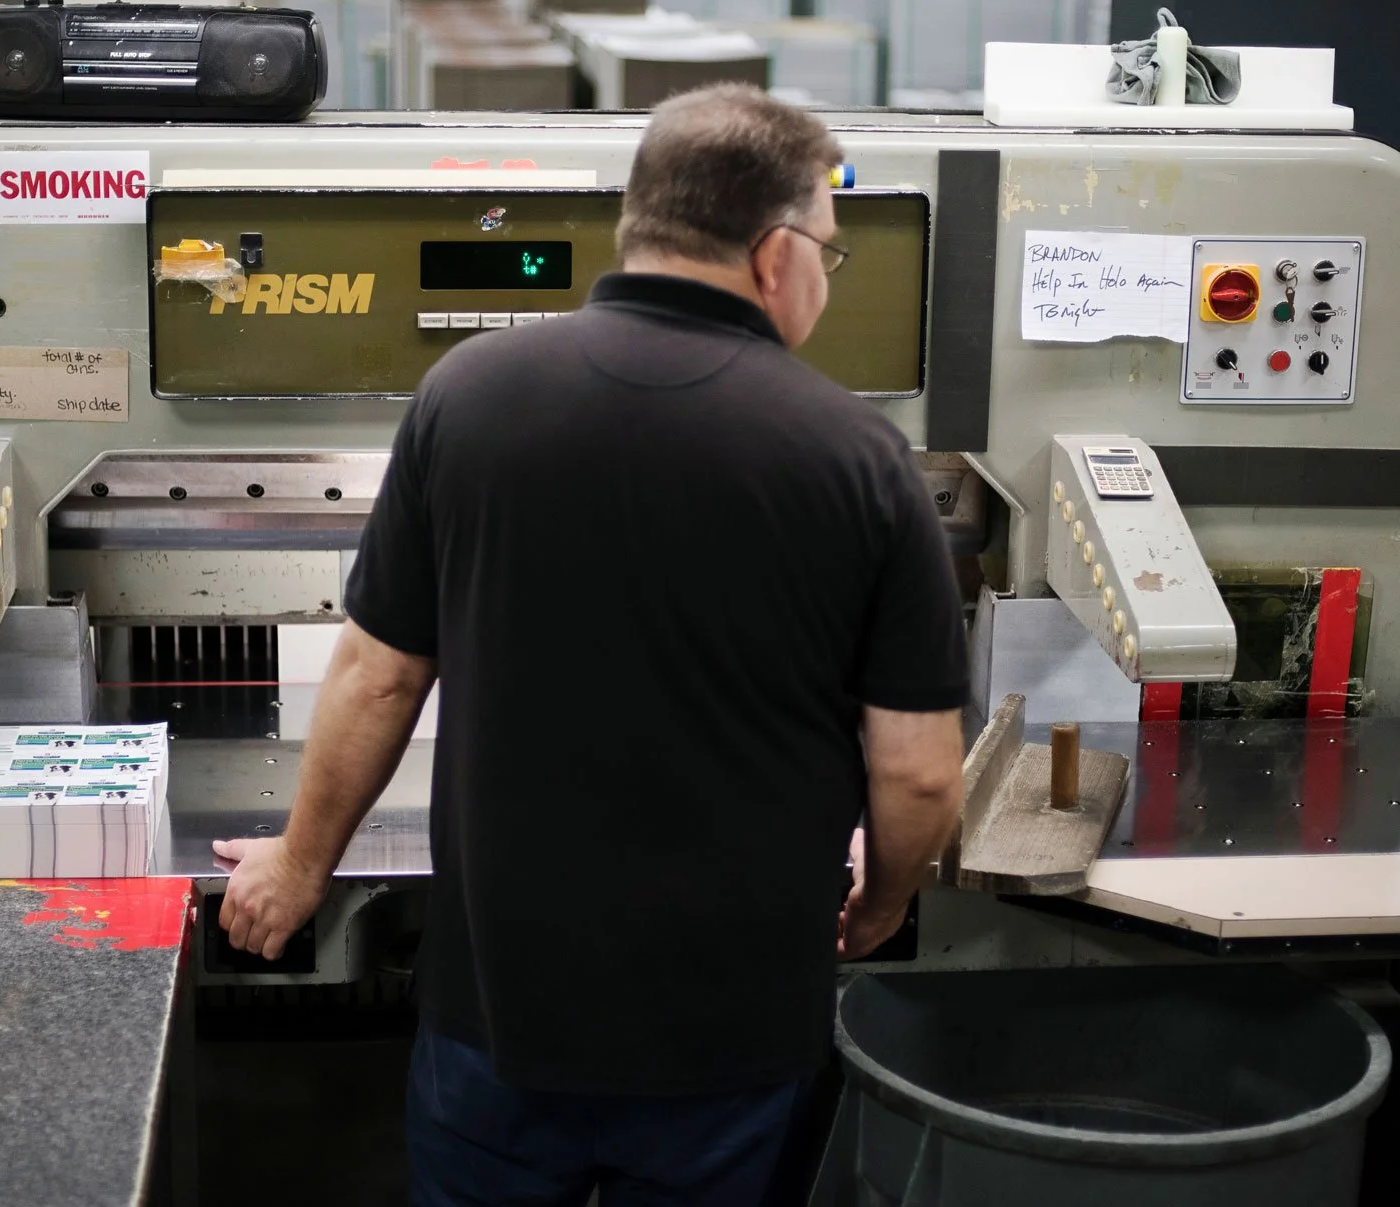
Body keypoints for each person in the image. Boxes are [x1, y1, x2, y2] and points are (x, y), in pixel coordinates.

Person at [215, 83, 968, 1206]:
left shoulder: (467, 396)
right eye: (828, 248)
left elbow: (377, 676)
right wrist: (886, 901)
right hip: (733, 1040)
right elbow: (915, 769)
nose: (823, 271)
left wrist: (299, 864)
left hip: (497, 1022)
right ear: (772, 256)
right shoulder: (856, 458)